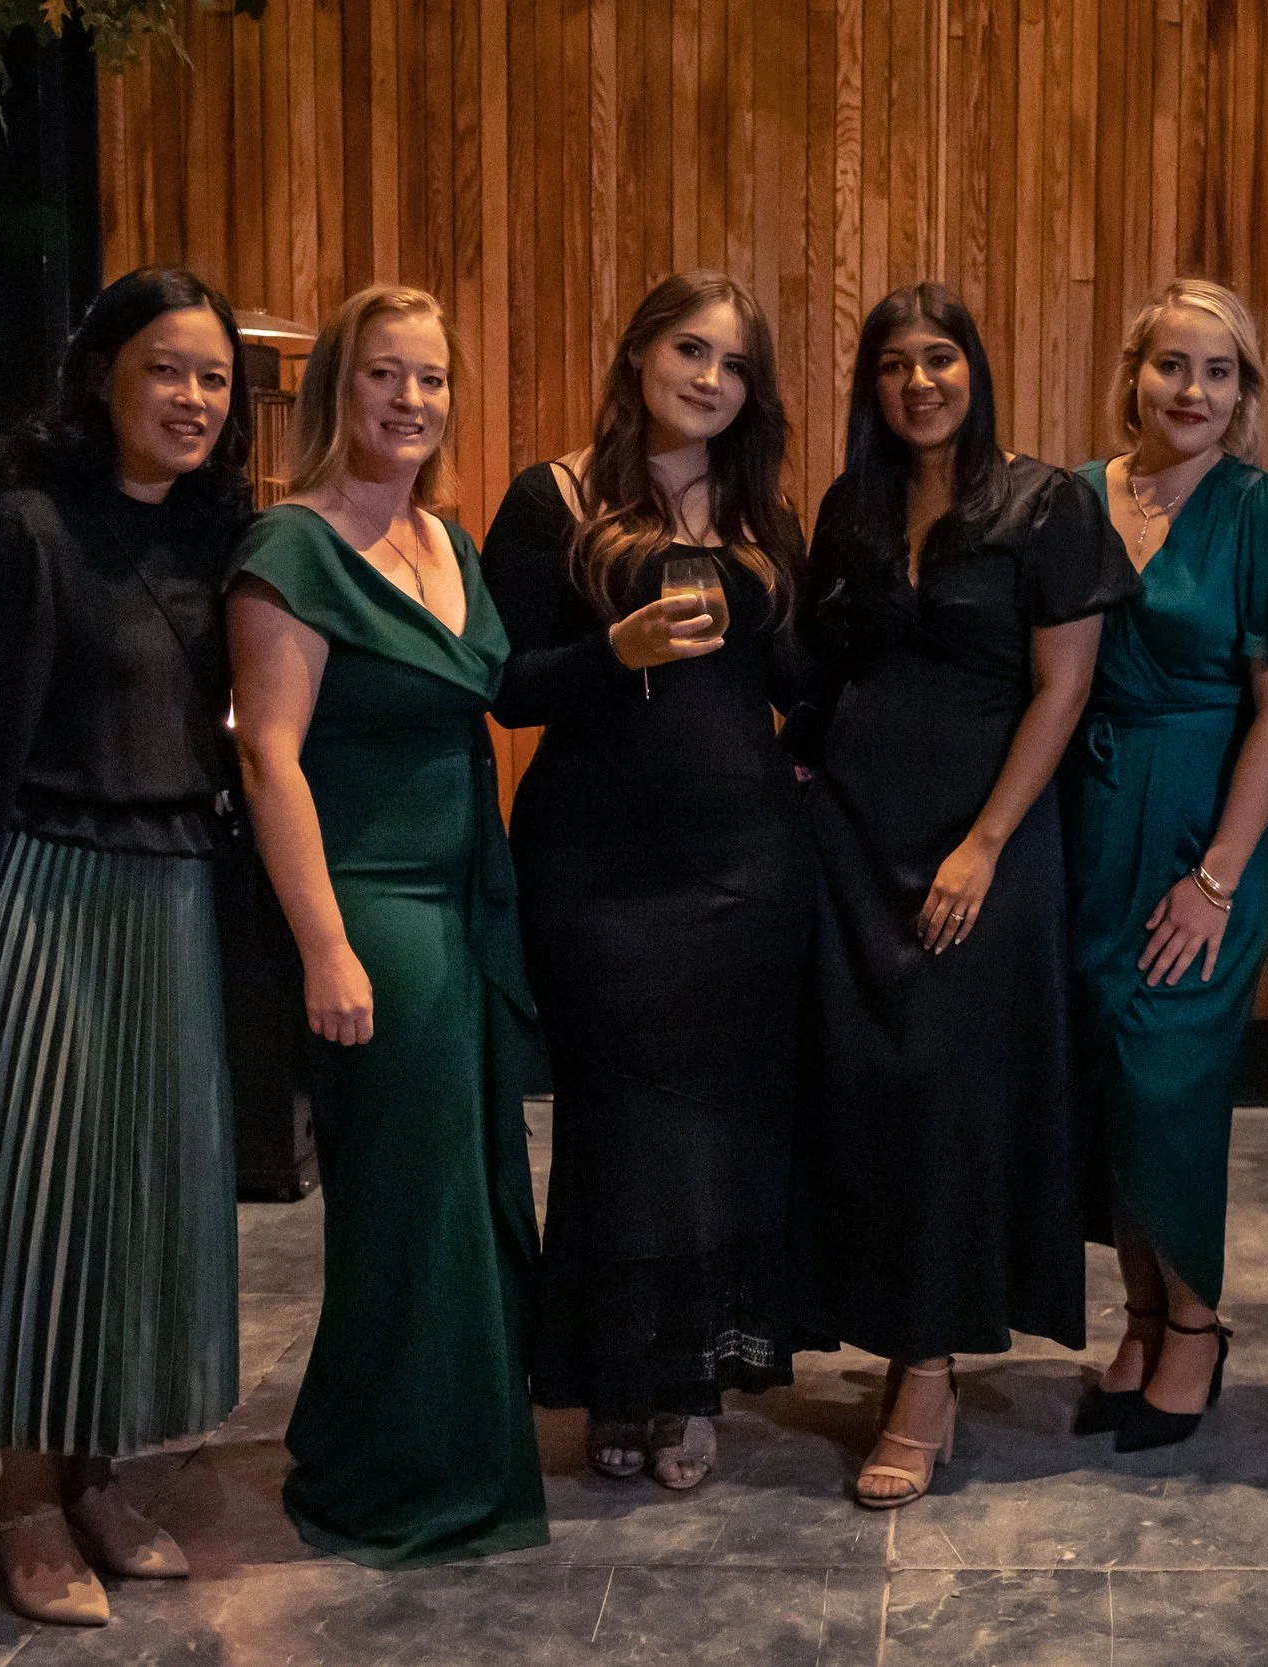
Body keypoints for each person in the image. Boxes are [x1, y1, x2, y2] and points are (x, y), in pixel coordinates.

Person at [0, 268, 251, 1625]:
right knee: (45, 1196)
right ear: (101, 375)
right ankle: (25, 1495)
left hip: (173, 899)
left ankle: (96, 1470)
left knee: (141, 1203)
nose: (193, 397)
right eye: (166, 368)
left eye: (214, 377)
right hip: (50, 891)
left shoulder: (208, 542)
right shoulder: (26, 532)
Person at [793, 283, 1138, 1507]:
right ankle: (892, 1331)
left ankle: (928, 1373)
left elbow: (1063, 687)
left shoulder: (1045, 503)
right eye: (894, 364)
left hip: (982, 836)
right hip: (853, 834)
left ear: (975, 370)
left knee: (948, 1095)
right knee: (865, 1092)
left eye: (939, 358)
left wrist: (985, 843)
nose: (919, 382)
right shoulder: (850, 506)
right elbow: (824, 665)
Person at [229, 285, 547, 1568]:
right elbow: (269, 756)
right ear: (336, 389)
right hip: (375, 902)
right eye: (383, 374)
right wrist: (325, 945)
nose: (410, 400)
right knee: (413, 1199)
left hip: (467, 894)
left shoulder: (445, 539)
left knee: (465, 1181)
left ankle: (415, 1436)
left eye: (431, 377)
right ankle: (398, 1473)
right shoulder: (290, 547)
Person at [482, 270, 811, 1492]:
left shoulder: (761, 513)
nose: (710, 380)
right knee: (618, 1124)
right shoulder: (553, 497)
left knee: (720, 1128)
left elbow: (803, 684)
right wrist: (610, 653)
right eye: (690, 351)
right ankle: (614, 1376)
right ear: (637, 356)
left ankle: (690, 1384)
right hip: (600, 871)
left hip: (745, 870)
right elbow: (503, 684)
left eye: (734, 364)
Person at [1062, 278, 1268, 1453]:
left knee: (1168, 1082)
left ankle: (1195, 1325)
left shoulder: (1267, 512)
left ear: (1243, 392)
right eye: (1171, 364)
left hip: (1202, 826)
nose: (1192, 390)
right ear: (1133, 373)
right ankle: (1138, 1321)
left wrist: (1218, 876)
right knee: (1108, 1083)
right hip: (1087, 820)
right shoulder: (1077, 497)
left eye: (1218, 371)